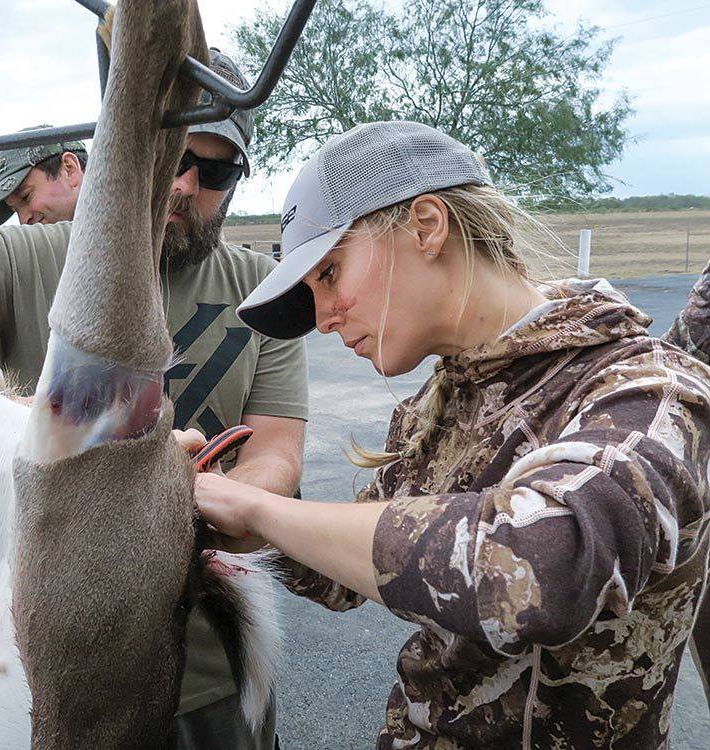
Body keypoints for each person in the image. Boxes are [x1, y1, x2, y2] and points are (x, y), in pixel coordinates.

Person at [191, 121, 710, 748]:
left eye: (329, 274)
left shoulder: (648, 394)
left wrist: (261, 509)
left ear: (426, 226)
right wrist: (221, 507)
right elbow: (343, 573)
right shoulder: (436, 408)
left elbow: (540, 571)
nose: (323, 317)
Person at [0, 50, 307, 750]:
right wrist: (44, 443)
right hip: (43, 663)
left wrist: (214, 502)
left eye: (214, 172)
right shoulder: (30, 255)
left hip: (212, 663)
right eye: (174, 155)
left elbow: (277, 450)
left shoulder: (261, 290)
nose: (184, 185)